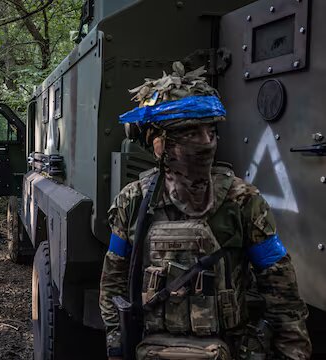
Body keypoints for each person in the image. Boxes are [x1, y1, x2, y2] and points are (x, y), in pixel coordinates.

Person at [99, 63, 311, 359]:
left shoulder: (242, 200)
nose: (206, 142)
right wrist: (116, 341)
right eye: (190, 133)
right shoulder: (133, 201)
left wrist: (292, 351)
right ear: (158, 143)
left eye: (211, 130)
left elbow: (279, 284)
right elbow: (113, 281)